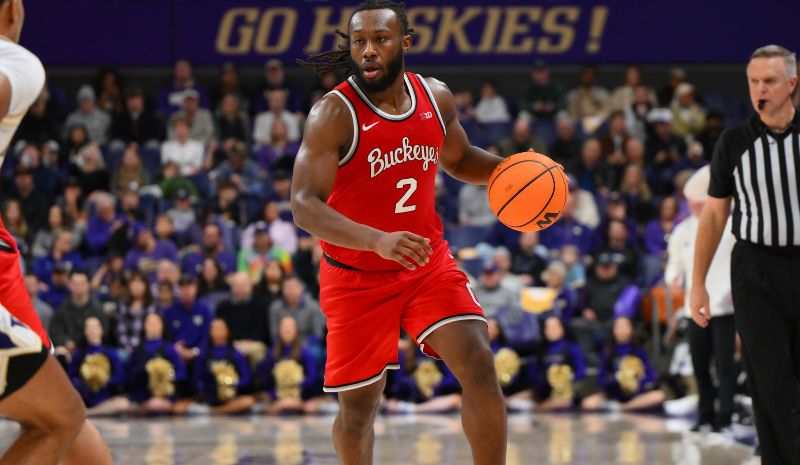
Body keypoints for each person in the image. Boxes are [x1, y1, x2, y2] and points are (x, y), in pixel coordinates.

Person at [293, 2, 508, 463]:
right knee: (359, 411)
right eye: (359, 42)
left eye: (381, 39)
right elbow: (303, 204)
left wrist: (513, 172)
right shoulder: (332, 114)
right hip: (356, 276)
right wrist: (377, 240)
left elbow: (458, 158)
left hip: (425, 263)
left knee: (477, 361)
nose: (369, 50)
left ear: (404, 43)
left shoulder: (435, 97)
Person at [0, 2, 112, 463]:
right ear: (13, 9)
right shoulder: (17, 62)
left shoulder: (16, 66)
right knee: (60, 417)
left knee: (62, 412)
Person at [691, 45, 800, 465]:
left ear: (791, 84)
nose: (760, 89)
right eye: (754, 81)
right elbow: (715, 215)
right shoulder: (734, 141)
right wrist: (699, 283)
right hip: (756, 270)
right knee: (769, 381)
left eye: (770, 81)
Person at [666, 165, 736, 433]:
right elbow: (675, 264)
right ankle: (705, 415)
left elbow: (739, 263)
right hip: (693, 309)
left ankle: (726, 417)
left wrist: (734, 292)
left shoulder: (729, 227)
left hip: (724, 306)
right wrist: (673, 278)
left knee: (725, 365)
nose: (694, 207)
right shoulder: (683, 231)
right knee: (700, 364)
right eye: (691, 203)